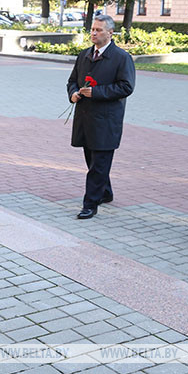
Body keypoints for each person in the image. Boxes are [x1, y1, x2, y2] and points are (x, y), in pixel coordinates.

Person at [67, 14, 135, 220]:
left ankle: (90, 204)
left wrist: (97, 92)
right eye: (92, 30)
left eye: (98, 30)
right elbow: (72, 81)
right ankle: (105, 192)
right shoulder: (84, 55)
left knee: (98, 164)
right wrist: (73, 93)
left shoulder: (122, 58)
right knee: (92, 161)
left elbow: (126, 87)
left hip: (106, 121)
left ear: (110, 33)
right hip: (86, 118)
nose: (93, 33)